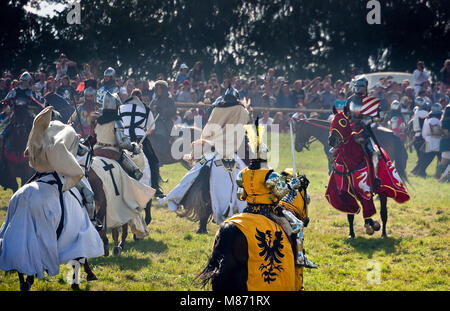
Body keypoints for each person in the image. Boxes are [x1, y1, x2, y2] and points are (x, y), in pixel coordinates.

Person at [0, 106, 104, 291]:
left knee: (23, 233)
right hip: (59, 178)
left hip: (40, 177)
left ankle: (26, 280)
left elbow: (30, 151)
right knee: (87, 195)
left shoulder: (42, 132)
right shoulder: (65, 132)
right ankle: (93, 221)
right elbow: (78, 153)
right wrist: (84, 142)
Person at [160, 87, 249, 226]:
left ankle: (178, 198)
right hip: (230, 155)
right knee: (245, 180)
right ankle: (244, 210)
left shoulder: (217, 110)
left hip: (212, 154)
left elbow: (207, 132)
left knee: (192, 176)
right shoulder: (241, 111)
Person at [420, 103, 443, 177]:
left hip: (430, 141)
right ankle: (422, 171)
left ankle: (422, 171)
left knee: (431, 158)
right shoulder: (434, 120)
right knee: (437, 158)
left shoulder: (428, 119)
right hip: (434, 142)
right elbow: (436, 131)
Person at [411, 97, 430, 177]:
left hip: (417, 134)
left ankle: (416, 170)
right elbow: (423, 125)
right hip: (421, 135)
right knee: (422, 155)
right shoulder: (422, 112)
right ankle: (420, 171)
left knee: (420, 155)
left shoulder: (416, 111)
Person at [439, 104, 450, 182]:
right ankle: (441, 177)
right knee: (444, 161)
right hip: (447, 141)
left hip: (445, 141)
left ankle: (441, 177)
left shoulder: (443, 120)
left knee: (444, 161)